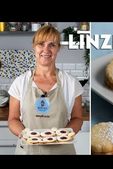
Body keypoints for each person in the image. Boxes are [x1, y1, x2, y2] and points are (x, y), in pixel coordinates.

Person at [8, 25, 84, 155]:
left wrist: (62, 135)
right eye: (41, 44)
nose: (46, 49)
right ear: (34, 47)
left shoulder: (71, 83)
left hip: (62, 151)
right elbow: (13, 119)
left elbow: (77, 118)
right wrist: (26, 135)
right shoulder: (20, 82)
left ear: (58, 48)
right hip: (28, 151)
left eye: (52, 45)